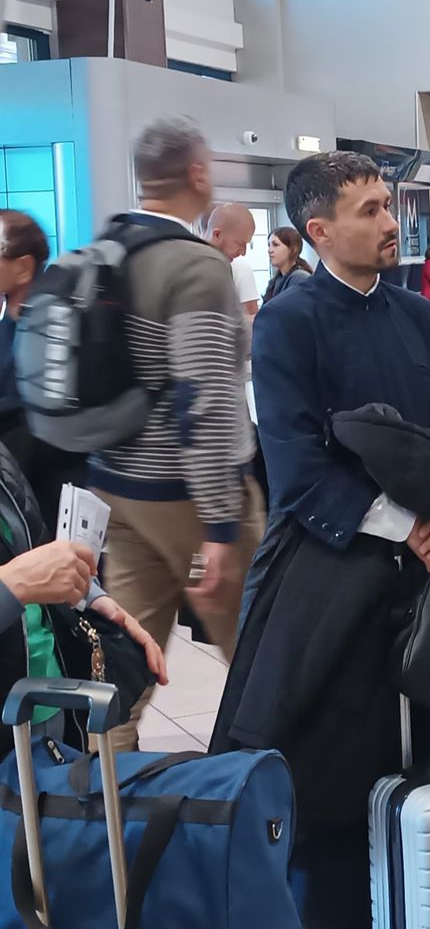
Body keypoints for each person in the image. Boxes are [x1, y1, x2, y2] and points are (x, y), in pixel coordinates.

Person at [218, 150, 430, 927]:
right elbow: (296, 469)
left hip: (421, 581)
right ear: (320, 230)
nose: (391, 221)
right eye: (371, 210)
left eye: (388, 205)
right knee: (331, 784)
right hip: (325, 579)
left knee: (424, 762)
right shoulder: (288, 322)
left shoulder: (414, 314)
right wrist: (406, 525)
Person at [89, 118, 264, 752]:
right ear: (196, 174)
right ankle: (283, 782)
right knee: (261, 643)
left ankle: (102, 786)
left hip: (116, 490)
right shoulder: (194, 266)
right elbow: (205, 401)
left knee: (129, 651)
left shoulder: (106, 249)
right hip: (186, 499)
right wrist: (219, 528)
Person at [0, 438, 167, 755]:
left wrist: (90, 597)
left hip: (44, 700)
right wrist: (12, 584)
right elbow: (18, 576)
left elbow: (29, 541)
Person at [0, 210, 92, 525]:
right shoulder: (13, 316)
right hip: (21, 484)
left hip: (53, 491)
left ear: (23, 267)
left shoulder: (53, 323)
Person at [206, 202, 259, 321]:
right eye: (240, 243)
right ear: (217, 235)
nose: (243, 252)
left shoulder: (224, 266)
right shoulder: (192, 267)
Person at [263, 226, 313, 304]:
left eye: (275, 245)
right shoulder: (275, 281)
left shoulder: (300, 278)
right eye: (269, 245)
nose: (270, 250)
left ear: (294, 249)